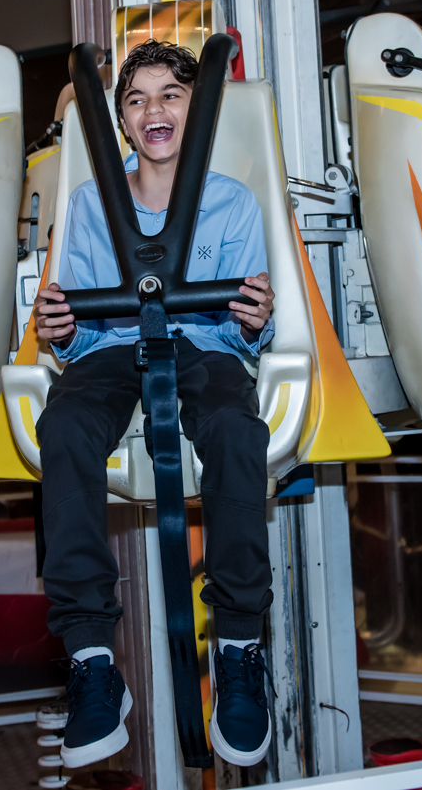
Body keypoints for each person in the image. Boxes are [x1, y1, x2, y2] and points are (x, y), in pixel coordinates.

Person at [31, 40, 276, 768]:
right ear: (122, 124)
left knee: (234, 427)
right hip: (112, 346)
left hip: (202, 341)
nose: (154, 110)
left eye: (170, 94)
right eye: (136, 100)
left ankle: (238, 644)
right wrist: (65, 330)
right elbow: (76, 329)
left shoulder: (232, 201)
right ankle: (92, 657)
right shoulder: (87, 205)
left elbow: (246, 321)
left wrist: (256, 320)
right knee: (67, 424)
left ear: (196, 111)